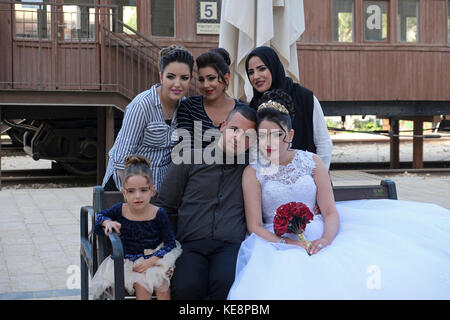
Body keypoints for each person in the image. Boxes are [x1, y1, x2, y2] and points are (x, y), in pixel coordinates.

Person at [227, 91, 450, 300]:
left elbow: (330, 210)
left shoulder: (311, 162)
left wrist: (325, 240)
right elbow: (255, 226)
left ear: (290, 135)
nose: (270, 142)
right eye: (263, 136)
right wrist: (289, 244)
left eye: (277, 135)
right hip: (274, 242)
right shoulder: (253, 172)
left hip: (319, 231)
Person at [157, 105, 257, 300]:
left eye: (247, 136)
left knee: (228, 285)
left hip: (230, 246)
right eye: (234, 130)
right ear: (223, 127)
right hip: (191, 244)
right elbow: (164, 206)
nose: (238, 138)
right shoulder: (188, 159)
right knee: (187, 287)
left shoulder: (250, 170)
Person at [102, 45, 194, 192]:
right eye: (170, 77)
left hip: (160, 191)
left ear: (190, 80)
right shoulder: (142, 105)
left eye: (184, 78)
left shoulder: (185, 107)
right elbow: (121, 161)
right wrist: (135, 196)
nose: (177, 84)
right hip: (126, 189)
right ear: (161, 77)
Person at [91, 156, 182, 300]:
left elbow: (170, 243)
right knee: (142, 287)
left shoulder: (158, 213)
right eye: (131, 191)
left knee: (163, 288)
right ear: (124, 193)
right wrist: (107, 222)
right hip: (127, 262)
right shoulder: (120, 209)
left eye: (143, 190)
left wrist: (152, 260)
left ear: (152, 190)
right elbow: (100, 215)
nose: (138, 196)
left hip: (154, 259)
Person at [245, 46, 333, 169]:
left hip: (306, 178)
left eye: (262, 69)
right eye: (251, 72)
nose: (256, 76)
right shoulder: (254, 106)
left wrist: (318, 177)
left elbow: (323, 143)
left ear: (274, 67)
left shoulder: (305, 98)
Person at [177, 48, 248, 149]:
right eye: (201, 80)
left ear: (226, 79)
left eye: (211, 78)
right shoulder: (189, 107)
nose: (205, 85)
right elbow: (185, 152)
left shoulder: (243, 111)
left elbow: (246, 152)